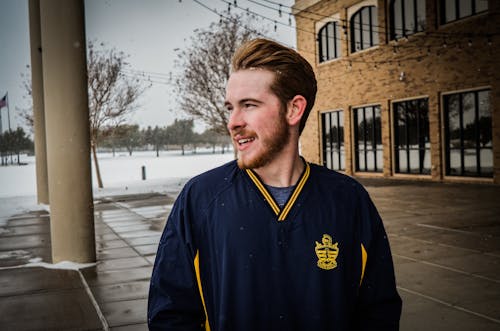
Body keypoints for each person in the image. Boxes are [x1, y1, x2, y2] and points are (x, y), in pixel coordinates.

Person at [148, 38, 402, 330]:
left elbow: (378, 310)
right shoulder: (201, 198)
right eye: (230, 107)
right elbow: (170, 313)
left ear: (294, 109)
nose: (233, 121)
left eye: (249, 105)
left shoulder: (347, 199)